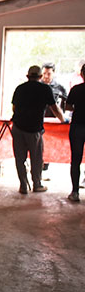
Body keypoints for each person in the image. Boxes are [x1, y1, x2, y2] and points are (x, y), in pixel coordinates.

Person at [11, 65, 66, 194]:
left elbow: (14, 107)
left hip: (18, 127)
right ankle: (37, 184)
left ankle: (23, 185)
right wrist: (63, 120)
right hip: (34, 129)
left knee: (20, 158)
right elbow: (54, 108)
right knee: (36, 158)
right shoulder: (45, 89)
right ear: (40, 77)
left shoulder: (20, 88)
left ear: (27, 76)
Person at [65, 63, 85, 202]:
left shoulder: (76, 89)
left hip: (78, 125)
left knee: (76, 160)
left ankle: (75, 192)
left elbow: (68, 106)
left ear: (82, 74)